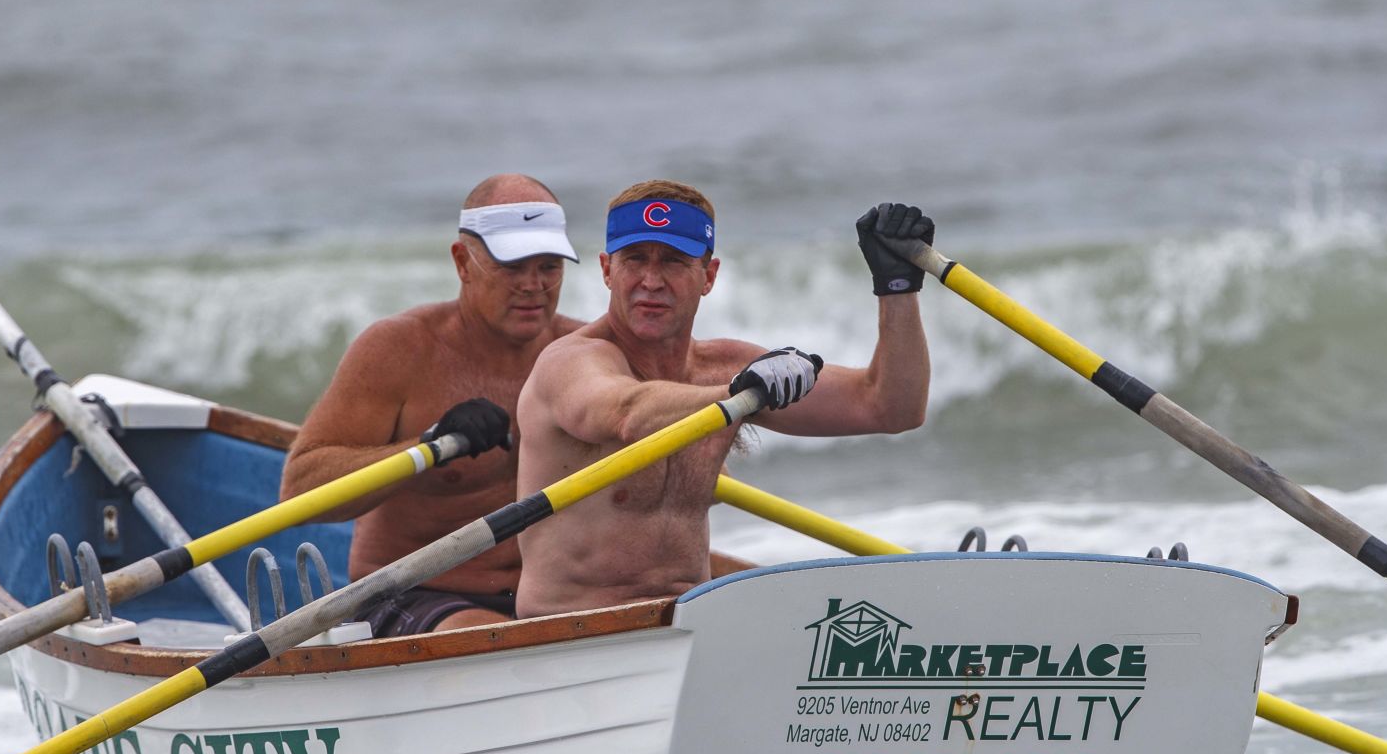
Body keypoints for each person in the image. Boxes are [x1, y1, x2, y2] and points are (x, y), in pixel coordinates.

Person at [514, 179, 932, 618]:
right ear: (606, 270)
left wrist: (898, 288)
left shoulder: (724, 367)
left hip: (692, 629)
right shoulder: (569, 363)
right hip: (571, 634)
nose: (651, 281)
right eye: (635, 259)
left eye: (674, 261)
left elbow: (890, 407)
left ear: (708, 276)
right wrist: (736, 394)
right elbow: (626, 413)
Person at [282, 174, 584, 636]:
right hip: (411, 593)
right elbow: (301, 491)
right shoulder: (401, 349)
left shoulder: (586, 355)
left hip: (544, 595)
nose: (533, 285)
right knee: (489, 639)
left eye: (549, 267)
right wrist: (427, 446)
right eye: (512, 266)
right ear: (463, 262)